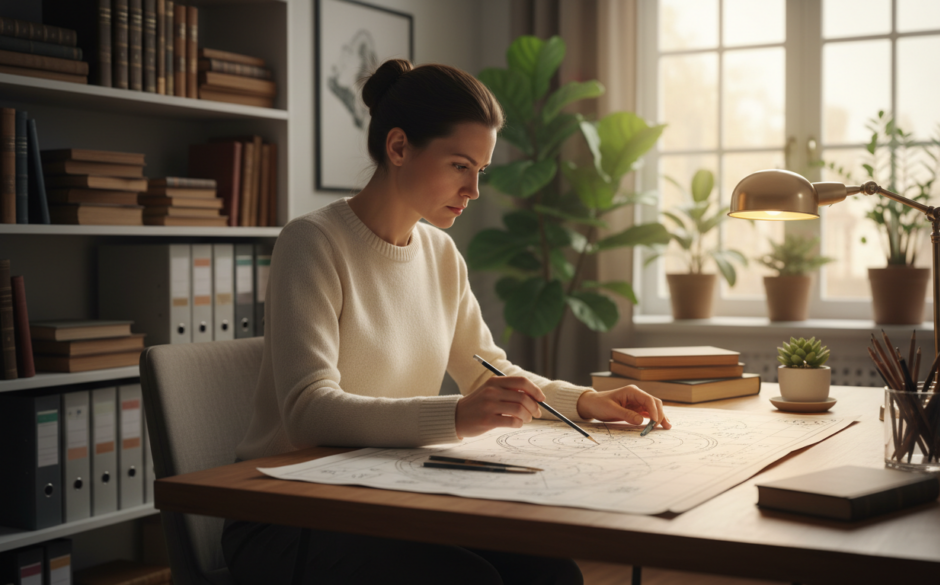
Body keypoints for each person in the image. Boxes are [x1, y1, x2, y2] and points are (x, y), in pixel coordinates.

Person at [222, 58, 672, 585]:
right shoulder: (312, 243)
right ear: (398, 147)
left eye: (481, 170)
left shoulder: (441, 254)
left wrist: (587, 401)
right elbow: (308, 411)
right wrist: (456, 415)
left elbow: (487, 372)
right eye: (460, 165)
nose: (474, 189)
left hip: (388, 497)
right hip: (292, 514)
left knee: (553, 575)